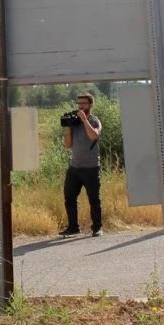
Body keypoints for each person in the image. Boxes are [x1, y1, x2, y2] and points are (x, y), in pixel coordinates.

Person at [59, 92, 103, 237]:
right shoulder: (74, 122)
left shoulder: (94, 121)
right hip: (74, 167)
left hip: (91, 168)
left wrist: (84, 120)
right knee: (69, 198)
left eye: (84, 103)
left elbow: (94, 136)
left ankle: (97, 228)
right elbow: (68, 145)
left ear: (90, 105)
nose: (80, 106)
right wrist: (68, 128)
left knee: (94, 199)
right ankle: (73, 227)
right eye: (79, 103)